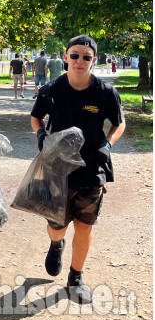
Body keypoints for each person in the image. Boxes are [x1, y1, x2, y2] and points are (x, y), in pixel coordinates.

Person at [31, 35, 125, 304]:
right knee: (57, 226)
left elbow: (119, 123)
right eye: (75, 55)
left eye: (86, 56)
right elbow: (36, 117)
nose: (80, 61)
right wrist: (40, 135)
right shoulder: (51, 89)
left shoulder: (105, 93)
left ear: (94, 60)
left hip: (91, 169)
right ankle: (56, 243)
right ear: (66, 57)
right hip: (57, 169)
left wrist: (108, 143)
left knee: (84, 226)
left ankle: (75, 278)